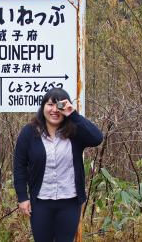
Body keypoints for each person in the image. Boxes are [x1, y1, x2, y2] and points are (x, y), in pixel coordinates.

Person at [13, 88, 103, 242]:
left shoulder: (75, 132)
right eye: (50, 105)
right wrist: (22, 197)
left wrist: (73, 114)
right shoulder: (29, 132)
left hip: (70, 202)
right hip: (41, 202)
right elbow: (19, 166)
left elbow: (97, 138)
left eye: (59, 106)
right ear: (43, 107)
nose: (54, 110)